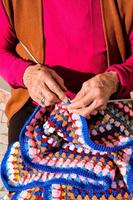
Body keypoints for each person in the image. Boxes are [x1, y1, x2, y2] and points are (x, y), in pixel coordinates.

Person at [0, 0, 133, 146]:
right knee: (22, 164)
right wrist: (26, 74)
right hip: (36, 105)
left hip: (107, 104)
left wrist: (114, 80)